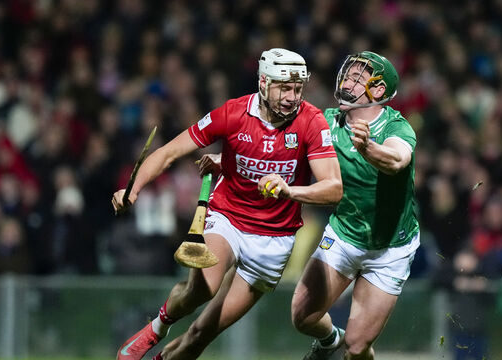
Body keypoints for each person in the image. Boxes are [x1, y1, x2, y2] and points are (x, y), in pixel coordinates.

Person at [112, 48, 342, 360]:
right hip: (227, 218)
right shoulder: (232, 113)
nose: (292, 97)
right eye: (284, 88)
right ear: (263, 82)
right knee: (203, 289)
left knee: (198, 337)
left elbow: (333, 189)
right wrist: (133, 188)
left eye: (297, 89)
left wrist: (288, 191)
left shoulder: (312, 122)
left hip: (274, 242)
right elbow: (168, 152)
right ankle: (158, 326)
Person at [290, 51, 420, 360]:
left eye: (358, 79)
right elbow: (282, 146)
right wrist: (228, 162)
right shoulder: (327, 122)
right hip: (345, 234)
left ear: (379, 92)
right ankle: (329, 340)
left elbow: (397, 160)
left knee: (358, 348)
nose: (347, 82)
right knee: (302, 317)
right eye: (347, 75)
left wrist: (368, 148)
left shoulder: (397, 128)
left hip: (390, 248)